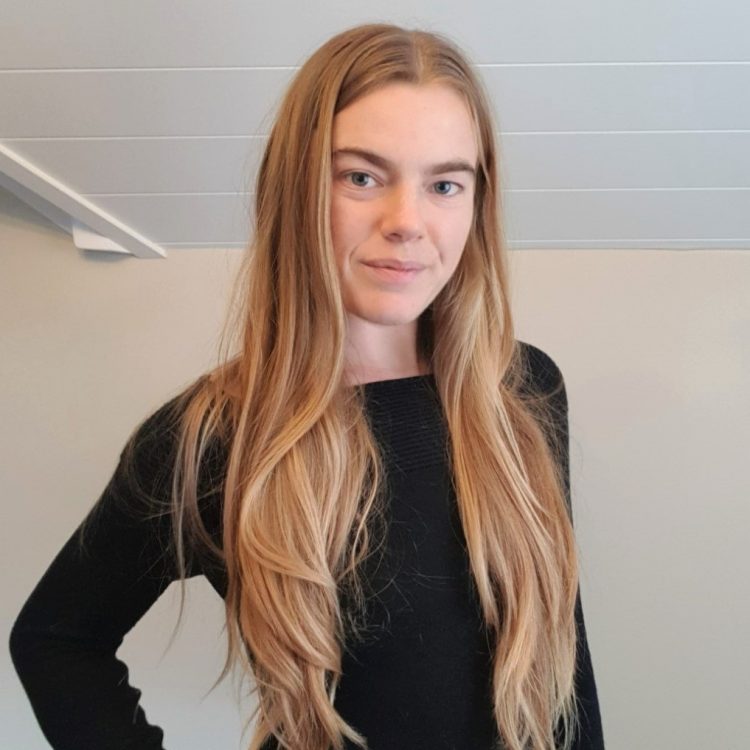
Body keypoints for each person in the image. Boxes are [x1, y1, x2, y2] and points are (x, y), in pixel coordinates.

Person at [9, 23, 605, 750]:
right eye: (361, 177)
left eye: (445, 184)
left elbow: (563, 658)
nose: (407, 223)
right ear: (296, 189)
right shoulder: (212, 437)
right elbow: (56, 638)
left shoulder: (527, 390)